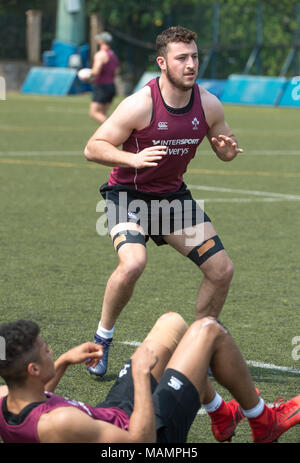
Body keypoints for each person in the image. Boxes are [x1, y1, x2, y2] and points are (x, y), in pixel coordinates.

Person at [84, 25, 243, 377]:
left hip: (171, 199)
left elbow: (225, 150)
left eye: (195, 57)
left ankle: (198, 348)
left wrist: (228, 153)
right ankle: (102, 340)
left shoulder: (208, 104)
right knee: (133, 263)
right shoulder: (140, 104)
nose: (191, 65)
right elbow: (93, 148)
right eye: (181, 58)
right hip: (129, 199)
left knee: (221, 270)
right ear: (162, 62)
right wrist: (132, 159)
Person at [1, 314, 300, 443]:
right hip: (151, 432)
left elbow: (32, 398)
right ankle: (265, 422)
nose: (51, 351)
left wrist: (64, 361)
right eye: (46, 351)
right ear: (33, 371)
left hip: (114, 413)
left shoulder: (7, 397)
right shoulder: (60, 423)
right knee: (208, 330)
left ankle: (221, 414)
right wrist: (142, 375)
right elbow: (139, 443)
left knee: (171, 324)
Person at [88, 31, 119, 124]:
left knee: (94, 112)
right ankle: (110, 136)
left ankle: (114, 130)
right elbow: (116, 72)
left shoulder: (100, 54)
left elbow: (95, 72)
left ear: (101, 41)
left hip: (102, 87)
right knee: (102, 114)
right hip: (111, 87)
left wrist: (86, 76)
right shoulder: (113, 55)